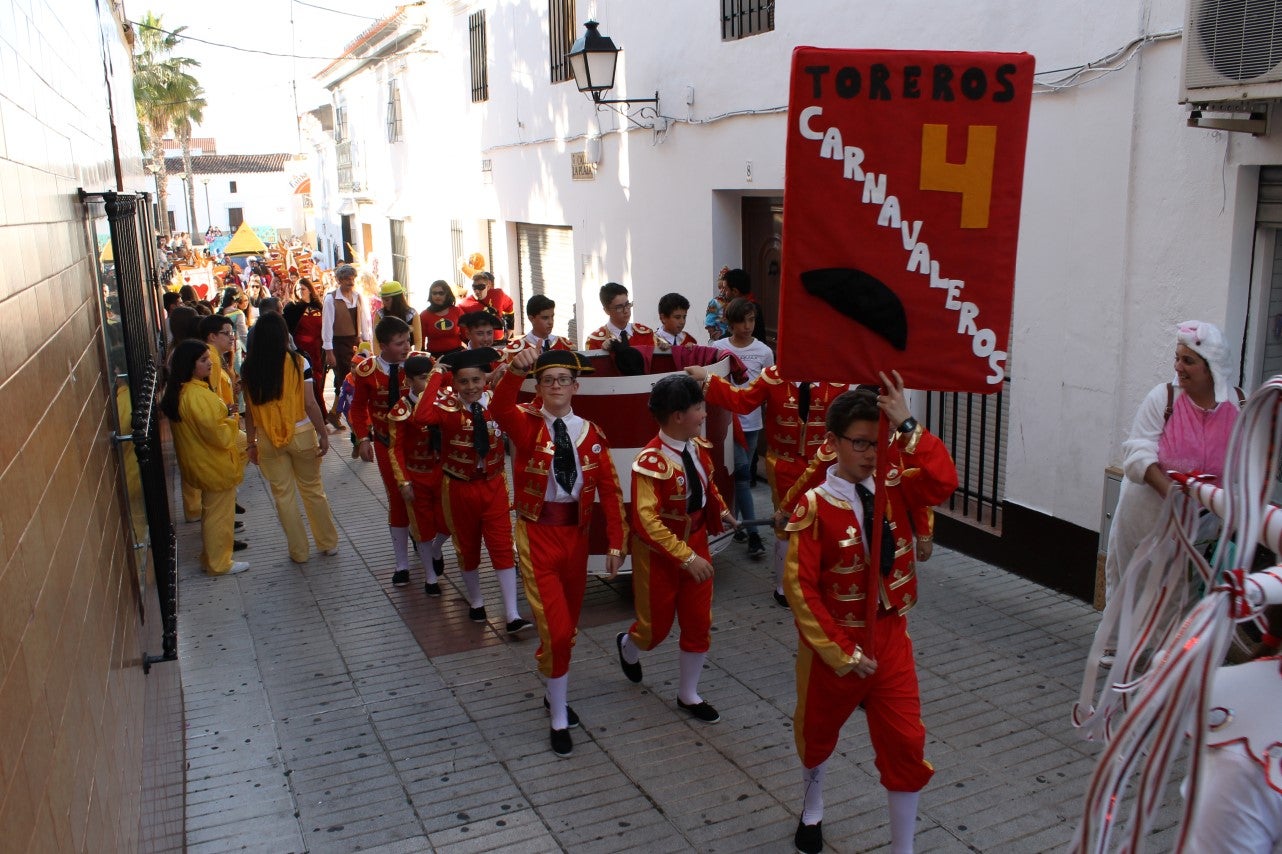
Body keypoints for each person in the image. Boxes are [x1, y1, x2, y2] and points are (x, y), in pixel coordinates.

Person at [783, 379, 958, 854]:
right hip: (835, 644)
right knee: (818, 731)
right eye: (859, 442)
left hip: (890, 634)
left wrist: (906, 425)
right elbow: (801, 589)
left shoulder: (893, 484)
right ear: (834, 442)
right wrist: (841, 651)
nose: (870, 453)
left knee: (906, 743)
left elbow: (944, 481)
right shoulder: (815, 505)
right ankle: (813, 805)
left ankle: (904, 848)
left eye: (876, 443)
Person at [490, 347, 627, 758]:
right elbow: (499, 407)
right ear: (539, 386)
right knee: (557, 629)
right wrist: (515, 371)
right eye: (547, 380)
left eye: (562, 380)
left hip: (577, 539)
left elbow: (610, 491)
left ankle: (554, 691)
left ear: (575, 387)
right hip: (537, 536)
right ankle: (557, 717)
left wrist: (616, 543)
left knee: (566, 628)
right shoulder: (525, 424)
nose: (555, 387)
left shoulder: (591, 432)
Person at [1100, 320, 1241, 662]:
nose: (1178, 367)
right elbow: (1138, 452)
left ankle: (1168, 653)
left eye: (1188, 361)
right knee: (1132, 575)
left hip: (1202, 519)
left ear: (1211, 369)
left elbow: (1241, 466)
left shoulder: (1238, 407)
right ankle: (1117, 646)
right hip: (1146, 511)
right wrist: (1172, 493)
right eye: (1177, 358)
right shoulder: (1162, 398)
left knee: (1181, 585)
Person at [685, 360, 850, 608]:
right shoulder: (773, 377)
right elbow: (743, 401)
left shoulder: (838, 381)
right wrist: (708, 379)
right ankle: (784, 588)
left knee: (822, 522)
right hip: (784, 465)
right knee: (786, 523)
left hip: (826, 466)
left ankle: (819, 580)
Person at [616, 374, 732, 723]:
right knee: (655, 629)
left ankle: (688, 694)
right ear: (678, 415)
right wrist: (686, 557)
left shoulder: (695, 447)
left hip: (695, 544)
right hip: (660, 555)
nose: (704, 414)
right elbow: (646, 523)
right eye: (699, 408)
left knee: (698, 622)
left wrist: (723, 513)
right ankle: (629, 645)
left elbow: (706, 488)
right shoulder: (651, 461)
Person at [414, 348, 533, 634]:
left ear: (485, 379)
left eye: (477, 380)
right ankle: (477, 601)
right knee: (468, 548)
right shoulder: (446, 406)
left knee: (502, 547)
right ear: (454, 383)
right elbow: (421, 417)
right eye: (464, 382)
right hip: (458, 487)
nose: (471, 388)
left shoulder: (496, 403)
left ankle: (511, 614)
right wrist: (436, 374)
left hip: (493, 485)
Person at [240, 313, 340, 564]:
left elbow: (250, 412)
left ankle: (299, 552)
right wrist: (323, 432)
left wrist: (250, 443)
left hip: (267, 439)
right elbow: (310, 402)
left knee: (283, 496)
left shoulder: (249, 368)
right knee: (313, 489)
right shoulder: (299, 362)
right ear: (284, 335)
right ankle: (327, 544)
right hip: (302, 433)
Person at [161, 339, 249, 576]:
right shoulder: (196, 395)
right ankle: (219, 562)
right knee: (218, 516)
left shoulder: (188, 391)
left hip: (204, 463)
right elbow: (219, 436)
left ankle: (212, 558)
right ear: (190, 365)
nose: (210, 363)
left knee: (213, 513)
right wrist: (232, 421)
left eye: (208, 358)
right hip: (214, 464)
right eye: (203, 360)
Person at [349, 316, 417, 586]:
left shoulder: (419, 364)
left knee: (426, 498)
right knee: (398, 499)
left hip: (418, 444)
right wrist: (362, 438)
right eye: (400, 343)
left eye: (407, 340)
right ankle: (402, 564)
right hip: (386, 444)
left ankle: (429, 548)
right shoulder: (366, 371)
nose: (406, 346)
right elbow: (357, 407)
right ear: (383, 345)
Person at [708, 297, 774, 562]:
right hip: (727, 423)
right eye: (742, 321)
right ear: (730, 322)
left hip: (752, 423)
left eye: (752, 320)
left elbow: (769, 388)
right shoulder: (717, 347)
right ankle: (754, 533)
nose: (747, 326)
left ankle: (736, 524)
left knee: (740, 475)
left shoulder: (764, 351)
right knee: (742, 474)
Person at [387, 353, 452, 593]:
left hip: (443, 472)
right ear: (409, 381)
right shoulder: (400, 409)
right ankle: (430, 577)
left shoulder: (444, 401)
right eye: (423, 378)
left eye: (431, 377)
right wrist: (403, 482)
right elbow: (396, 449)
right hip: (417, 475)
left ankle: (436, 550)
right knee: (422, 527)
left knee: (448, 524)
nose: (428, 382)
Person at [322, 264, 373, 429]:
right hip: (338, 344)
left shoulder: (358, 297)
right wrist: (329, 351)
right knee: (344, 378)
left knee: (355, 378)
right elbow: (327, 326)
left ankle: (336, 413)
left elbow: (365, 322)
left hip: (355, 343)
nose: (350, 282)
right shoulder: (331, 299)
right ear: (339, 280)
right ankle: (346, 417)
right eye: (346, 279)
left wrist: (367, 344)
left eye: (352, 279)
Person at [283, 277, 328, 421]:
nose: (300, 292)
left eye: (302, 289)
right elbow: (287, 330)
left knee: (319, 380)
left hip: (318, 350)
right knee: (308, 381)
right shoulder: (291, 309)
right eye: (297, 290)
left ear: (309, 290)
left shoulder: (319, 307)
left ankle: (319, 413)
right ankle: (316, 415)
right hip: (301, 351)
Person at [586, 282, 657, 350]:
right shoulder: (595, 340)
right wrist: (602, 351)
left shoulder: (645, 334)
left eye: (627, 304)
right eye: (619, 307)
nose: (626, 311)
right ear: (606, 310)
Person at [459, 271, 515, 342]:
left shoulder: (498, 294)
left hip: (498, 341)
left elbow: (509, 305)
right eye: (474, 287)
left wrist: (510, 327)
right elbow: (462, 329)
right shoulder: (464, 304)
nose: (477, 291)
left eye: (480, 287)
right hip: (479, 344)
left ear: (488, 286)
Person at [373, 281, 423, 354]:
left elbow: (418, 340)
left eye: (387, 300)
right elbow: (376, 340)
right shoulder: (379, 315)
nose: (383, 302)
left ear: (397, 300)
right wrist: (379, 359)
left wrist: (413, 356)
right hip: (387, 357)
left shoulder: (412, 314)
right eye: (382, 299)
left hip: (406, 356)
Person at [421, 279, 466, 356]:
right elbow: (421, 339)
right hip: (434, 356)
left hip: (456, 354)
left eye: (441, 293)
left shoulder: (457, 311)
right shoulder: (424, 315)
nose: (437, 296)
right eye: (434, 293)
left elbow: (466, 334)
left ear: (447, 294)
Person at [704, 266, 731, 342]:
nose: (723, 291)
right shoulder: (715, 302)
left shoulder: (734, 302)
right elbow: (709, 320)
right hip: (719, 336)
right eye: (721, 288)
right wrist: (714, 334)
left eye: (725, 288)